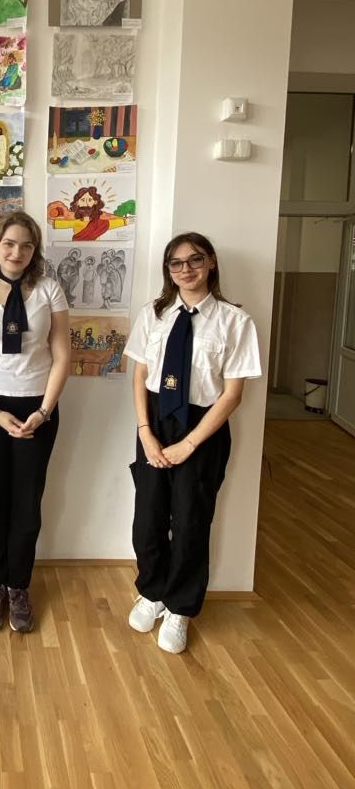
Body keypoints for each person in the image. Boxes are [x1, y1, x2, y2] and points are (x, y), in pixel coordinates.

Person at [123, 232, 261, 654]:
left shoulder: (235, 322)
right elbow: (139, 376)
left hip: (204, 428)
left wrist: (189, 445)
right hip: (154, 422)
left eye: (195, 260)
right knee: (148, 519)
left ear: (211, 262)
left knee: (190, 521)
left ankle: (180, 607)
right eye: (176, 263)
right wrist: (145, 432)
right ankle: (152, 592)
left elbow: (232, 395)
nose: (186, 269)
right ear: (168, 270)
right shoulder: (153, 314)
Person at [0, 211, 70, 633]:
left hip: (38, 407)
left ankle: (18, 586)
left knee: (27, 501)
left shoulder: (49, 290)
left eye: (25, 245)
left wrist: (44, 411)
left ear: (34, 250)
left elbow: (62, 355)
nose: (16, 252)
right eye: (8, 243)